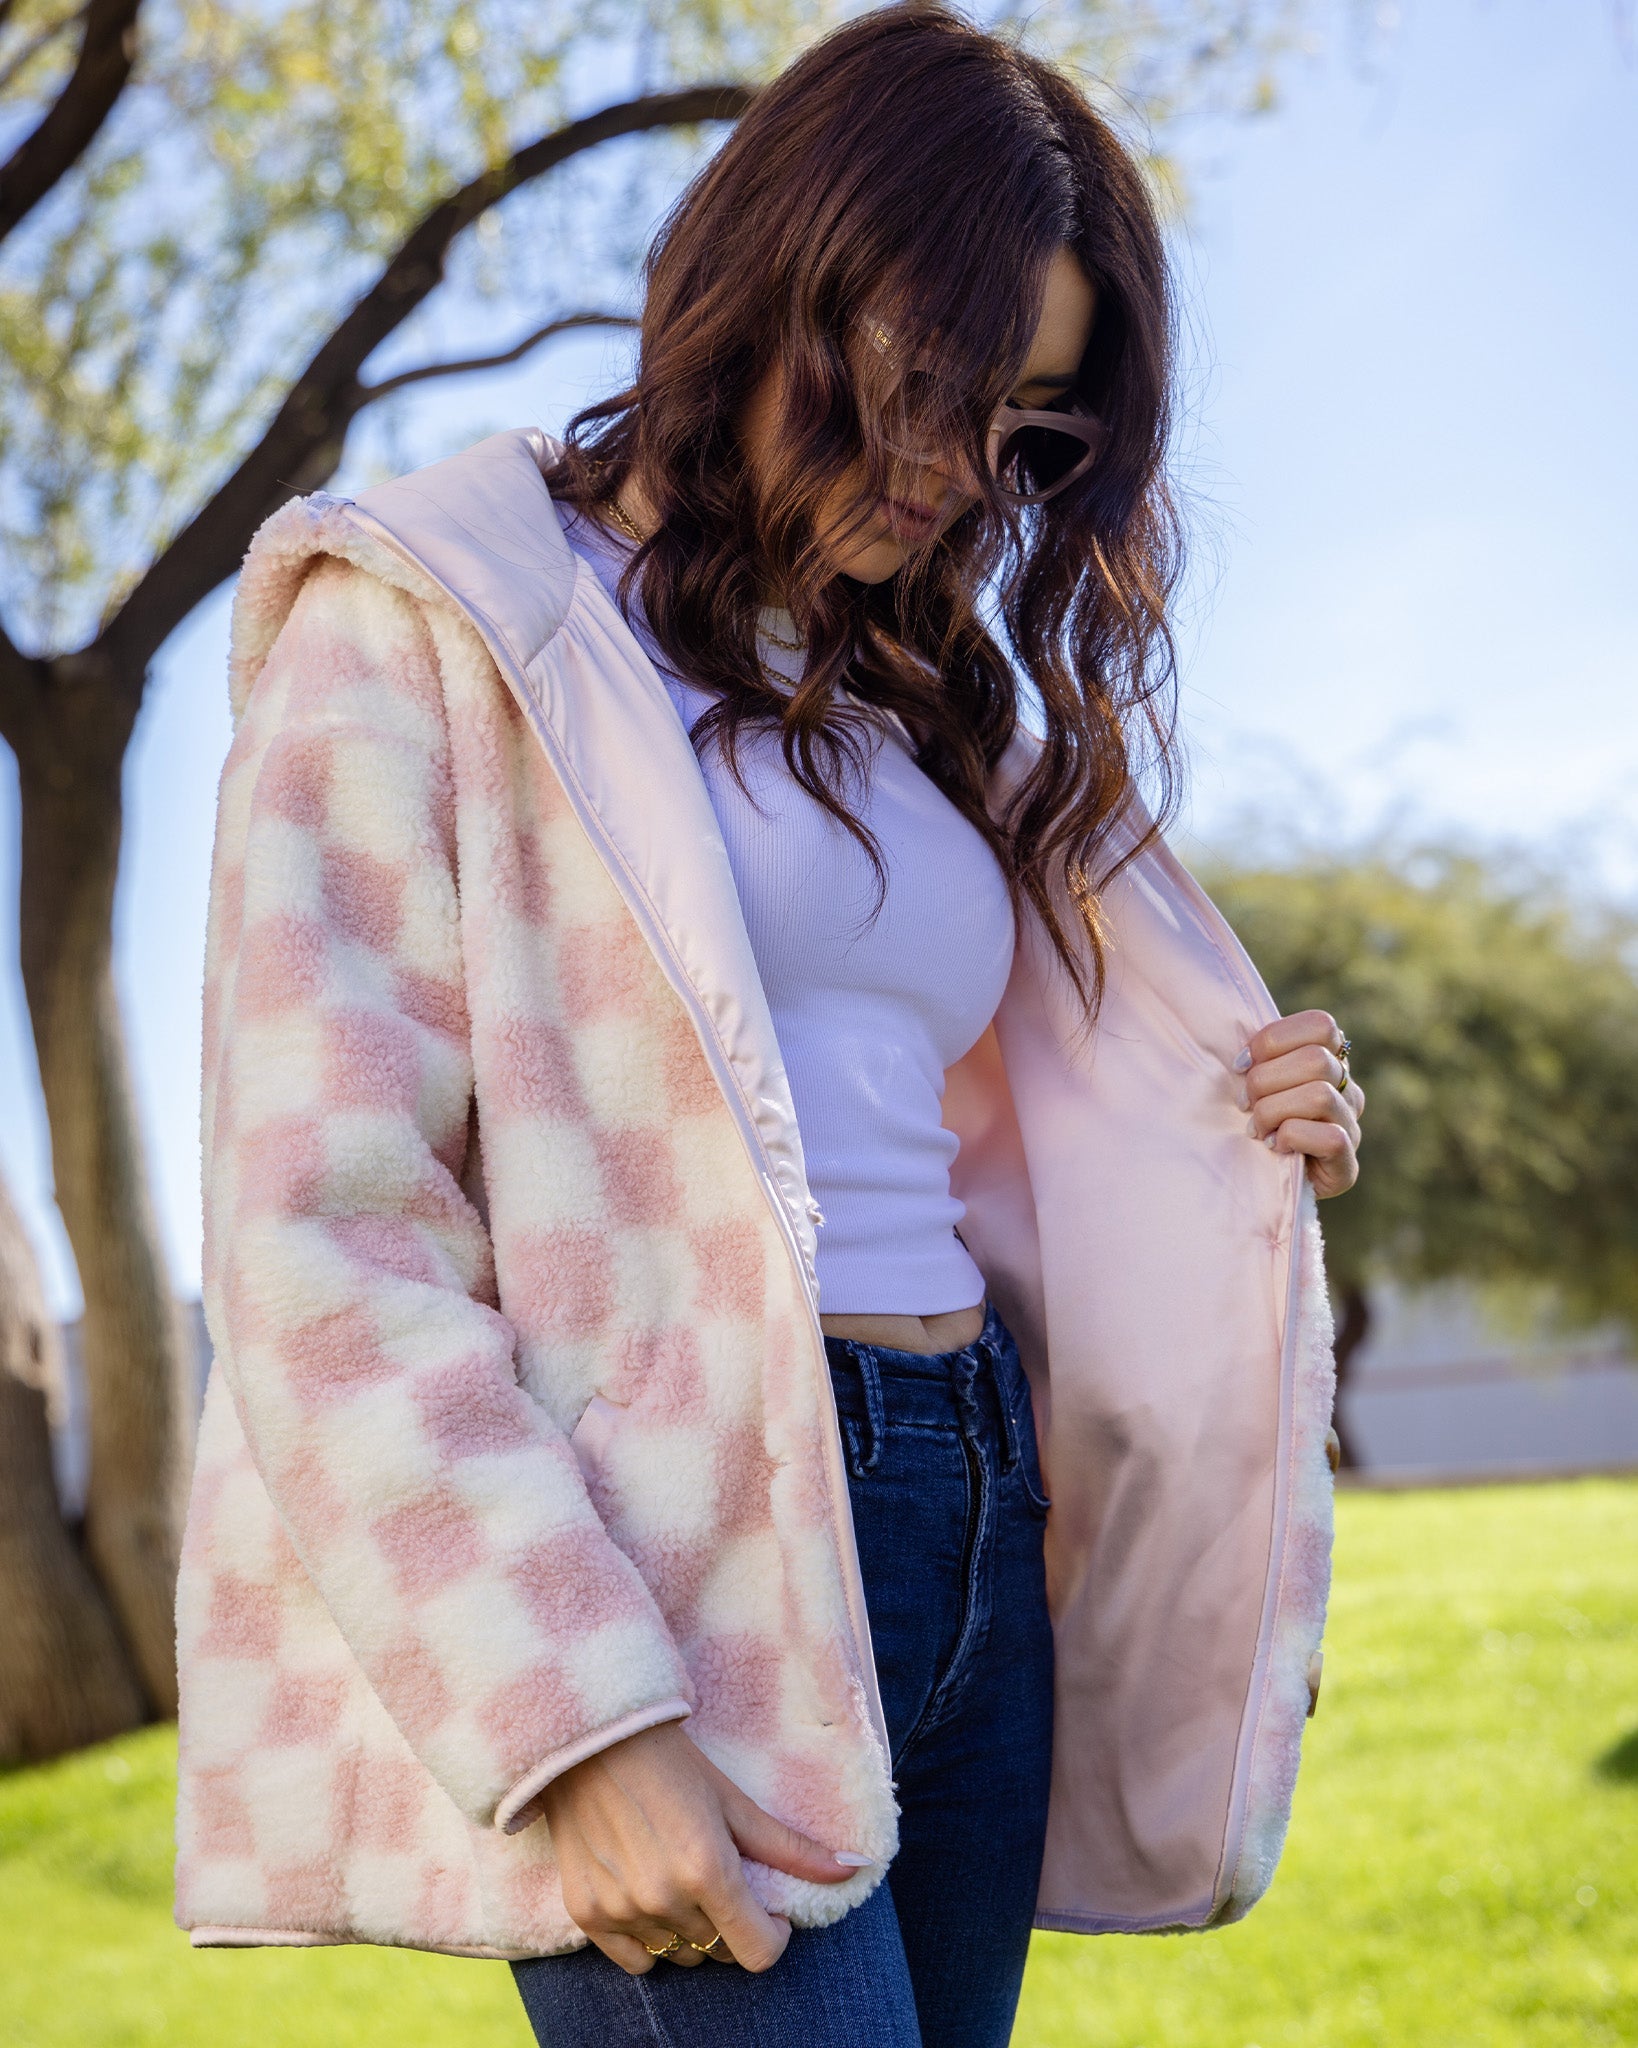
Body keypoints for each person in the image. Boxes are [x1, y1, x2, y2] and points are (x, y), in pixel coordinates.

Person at [174, 10, 1364, 2046]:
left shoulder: (916, 699)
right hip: (670, 1560)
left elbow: (956, 1119)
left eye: (1029, 431)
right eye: (925, 383)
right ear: (771, 275)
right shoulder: (432, 618)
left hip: (973, 1494)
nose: (962, 472)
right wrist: (566, 1712)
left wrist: (1228, 1115)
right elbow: (325, 1227)